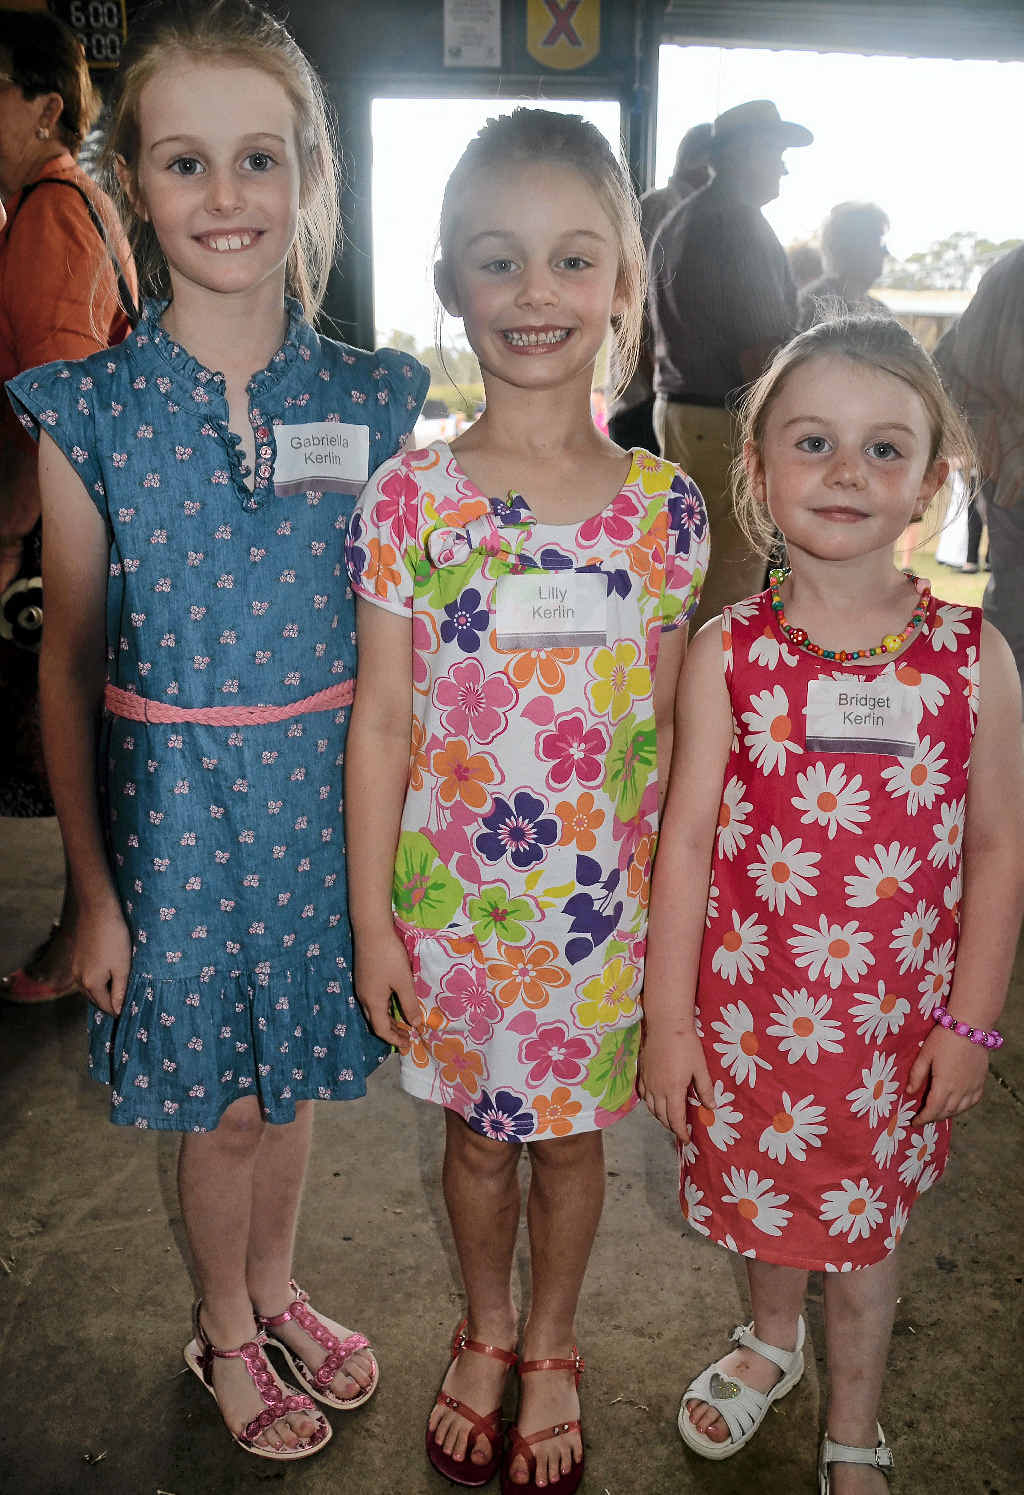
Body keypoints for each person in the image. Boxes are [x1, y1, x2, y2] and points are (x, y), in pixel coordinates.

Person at [7, 0, 427, 1462]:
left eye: (260, 159)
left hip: (321, 811)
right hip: (176, 822)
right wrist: (92, 892)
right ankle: (223, 1326)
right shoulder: (90, 410)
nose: (227, 196)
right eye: (186, 163)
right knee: (229, 1106)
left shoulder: (374, 397)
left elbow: (404, 651)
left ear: (311, 174)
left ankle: (276, 1282)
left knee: (295, 1076)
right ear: (130, 179)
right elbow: (65, 665)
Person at [345, 108, 708, 1494]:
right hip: (456, 910)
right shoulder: (408, 501)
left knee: (566, 1141)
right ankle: (484, 1321)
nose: (535, 294)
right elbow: (382, 719)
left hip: (597, 923)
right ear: (450, 278)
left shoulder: (668, 513)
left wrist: (673, 943)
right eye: (499, 262)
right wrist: (377, 920)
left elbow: (675, 741)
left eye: (571, 260)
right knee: (474, 1141)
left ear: (625, 281)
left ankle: (552, 1336)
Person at [640, 315, 1024, 1492]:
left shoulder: (974, 657)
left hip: (893, 1040)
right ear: (755, 469)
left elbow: (1002, 847)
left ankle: (853, 1423)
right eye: (812, 442)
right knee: (765, 1209)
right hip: (752, 1023)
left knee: (860, 1243)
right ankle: (768, 1341)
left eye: (883, 448)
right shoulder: (728, 653)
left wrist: (968, 1022)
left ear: (933, 479)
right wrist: (668, 1023)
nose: (847, 473)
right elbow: (688, 841)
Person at [0, 8, 137, 996]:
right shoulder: (58, 199)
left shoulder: (50, 206)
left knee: (69, 724)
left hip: (55, 515)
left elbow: (52, 401)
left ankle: (82, 932)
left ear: (44, 106)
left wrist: (11, 533)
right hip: (73, 509)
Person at [649, 98, 812, 631]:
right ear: (744, 154)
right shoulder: (737, 225)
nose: (785, 166)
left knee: (691, 576)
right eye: (776, 151)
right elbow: (760, 350)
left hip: (686, 414)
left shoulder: (684, 218)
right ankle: (714, 709)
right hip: (726, 421)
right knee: (729, 586)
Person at [933, 244, 1024, 693]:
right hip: (1006, 465)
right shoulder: (1011, 271)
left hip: (1002, 464)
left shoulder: (1003, 272)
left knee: (1012, 593)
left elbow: (946, 365)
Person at [607, 122, 712, 455]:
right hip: (646, 399)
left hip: (656, 396)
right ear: (706, 163)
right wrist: (654, 379)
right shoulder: (665, 209)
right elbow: (625, 299)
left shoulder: (682, 211)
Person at [798, 202, 891, 329]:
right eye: (878, 242)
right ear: (852, 247)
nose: (887, 252)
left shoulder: (879, 310)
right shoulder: (815, 307)